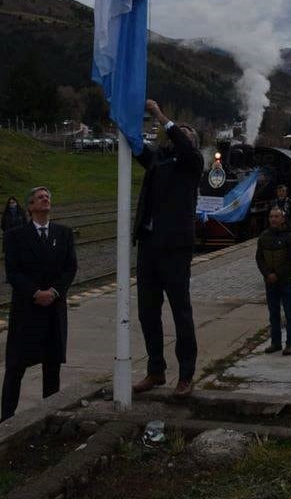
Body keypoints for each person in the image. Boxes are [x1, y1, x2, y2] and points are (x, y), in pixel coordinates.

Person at [132, 99, 204, 399]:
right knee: (148, 313)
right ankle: (156, 369)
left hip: (175, 248)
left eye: (186, 133)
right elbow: (138, 148)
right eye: (179, 132)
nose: (180, 135)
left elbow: (185, 146)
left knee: (181, 313)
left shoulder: (192, 163)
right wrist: (126, 119)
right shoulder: (159, 161)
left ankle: (185, 375)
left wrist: (162, 117)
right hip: (149, 246)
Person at [0, 186, 77, 422]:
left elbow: (70, 268)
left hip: (53, 310)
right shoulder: (15, 236)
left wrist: (53, 292)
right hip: (27, 310)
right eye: (40, 197)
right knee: (15, 366)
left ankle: (50, 414)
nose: (46, 199)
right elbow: (12, 272)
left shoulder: (63, 233)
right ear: (31, 206)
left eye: (48, 197)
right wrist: (35, 293)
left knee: (52, 366)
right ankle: (7, 418)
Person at [256, 205, 291, 355]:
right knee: (273, 312)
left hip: (285, 280)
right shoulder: (264, 236)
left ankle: (290, 343)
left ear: (283, 219)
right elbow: (259, 258)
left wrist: (277, 274)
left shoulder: (289, 237)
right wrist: (267, 274)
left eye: (276, 217)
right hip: (270, 282)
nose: (273, 219)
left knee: (290, 313)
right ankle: (275, 342)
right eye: (271, 217)